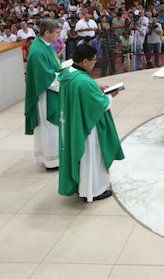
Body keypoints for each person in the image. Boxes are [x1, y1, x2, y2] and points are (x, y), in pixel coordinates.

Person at [58, 44, 124, 202]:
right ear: (85, 62)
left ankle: (82, 187)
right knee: (91, 158)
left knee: (82, 159)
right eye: (93, 61)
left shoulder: (69, 72)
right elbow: (99, 104)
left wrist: (96, 86)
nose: (95, 64)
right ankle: (93, 191)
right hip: (87, 127)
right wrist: (111, 95)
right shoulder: (83, 82)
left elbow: (83, 90)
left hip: (74, 122)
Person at [24, 18, 62, 170]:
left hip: (51, 91)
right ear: (47, 33)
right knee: (50, 126)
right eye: (57, 33)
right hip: (46, 95)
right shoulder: (38, 51)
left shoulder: (45, 45)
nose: (59, 36)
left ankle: (54, 156)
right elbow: (46, 78)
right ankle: (52, 160)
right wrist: (66, 79)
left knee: (53, 128)